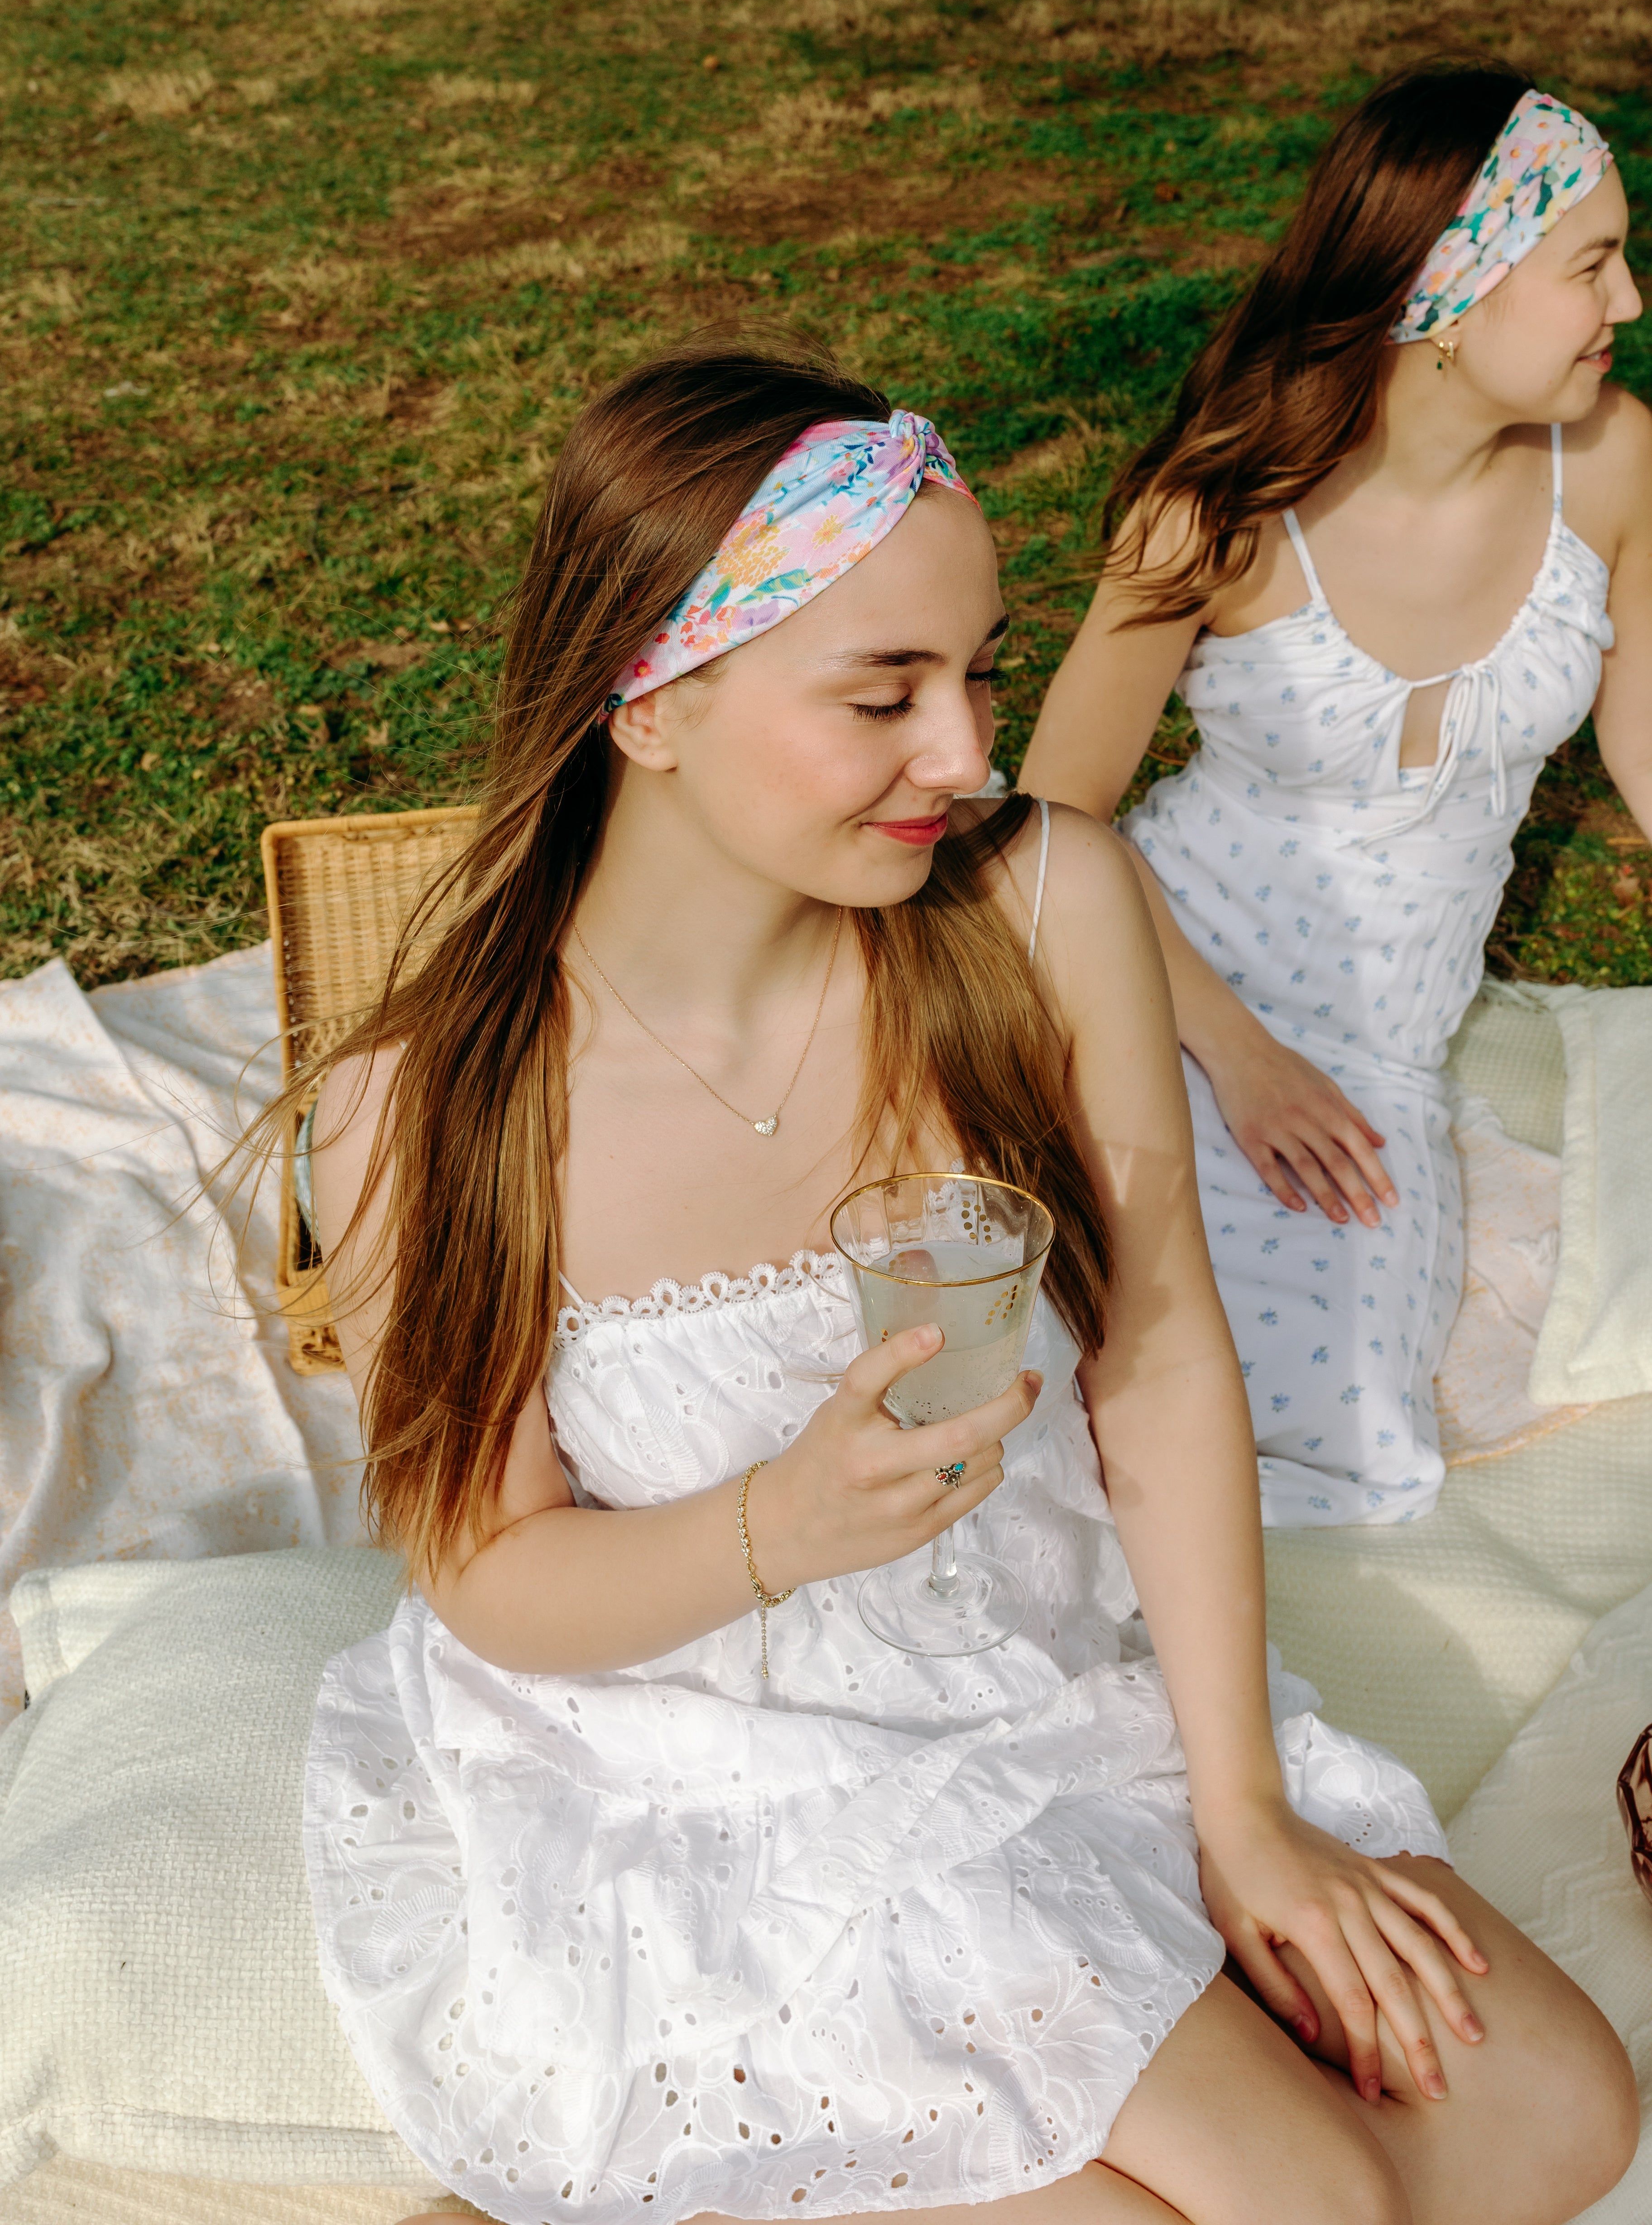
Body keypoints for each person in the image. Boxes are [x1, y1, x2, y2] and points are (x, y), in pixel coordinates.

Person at [292, 340, 1635, 2225]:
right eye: (883, 696)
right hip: (715, 1760)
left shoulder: (1038, 913)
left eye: (983, 667)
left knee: (1554, 2116)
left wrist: (1243, 1810)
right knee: (1312, 2203)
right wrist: (775, 1523)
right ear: (649, 703)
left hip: (1041, 1686)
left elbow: (1156, 1361)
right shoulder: (429, 1114)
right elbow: (491, 1578)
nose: (973, 755)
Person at [1022, 63, 1652, 1527]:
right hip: (1142, 988)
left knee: (1336, 1422)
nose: (1626, 303)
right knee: (1056, 1359)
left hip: (1376, 1057)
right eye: (1591, 265)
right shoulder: (1222, 506)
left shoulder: (1615, 461)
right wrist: (1239, 1062)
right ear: (1447, 286)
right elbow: (1056, 817)